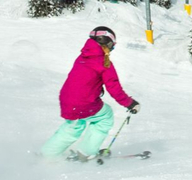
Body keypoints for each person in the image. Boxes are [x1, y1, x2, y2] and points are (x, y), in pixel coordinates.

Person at [41, 26, 139, 162]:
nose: (112, 50)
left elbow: (84, 79)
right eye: (113, 46)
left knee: (73, 126)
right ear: (108, 44)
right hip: (85, 102)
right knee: (105, 117)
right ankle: (86, 152)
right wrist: (130, 103)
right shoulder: (104, 63)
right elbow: (114, 89)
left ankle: (47, 154)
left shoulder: (82, 56)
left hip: (67, 100)